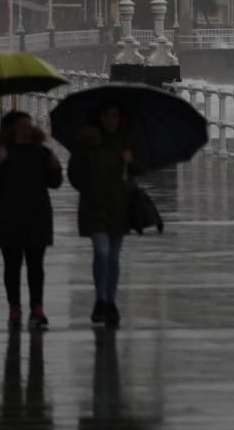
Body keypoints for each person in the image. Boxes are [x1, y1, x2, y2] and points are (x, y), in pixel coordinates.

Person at [0, 111, 63, 330]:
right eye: (22, 126)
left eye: (28, 126)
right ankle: (14, 308)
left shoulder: (41, 152)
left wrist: (55, 166)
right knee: (12, 267)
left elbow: (54, 182)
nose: (27, 130)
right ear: (11, 129)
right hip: (8, 219)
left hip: (37, 218)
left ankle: (37, 308)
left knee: (36, 267)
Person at [67, 102, 142, 328]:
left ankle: (110, 302)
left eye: (115, 116)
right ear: (99, 118)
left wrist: (132, 161)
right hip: (94, 206)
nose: (111, 121)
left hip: (119, 206)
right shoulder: (87, 142)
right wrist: (91, 186)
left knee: (113, 256)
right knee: (102, 250)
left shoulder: (125, 143)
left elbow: (138, 170)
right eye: (108, 116)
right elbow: (74, 174)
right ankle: (100, 299)